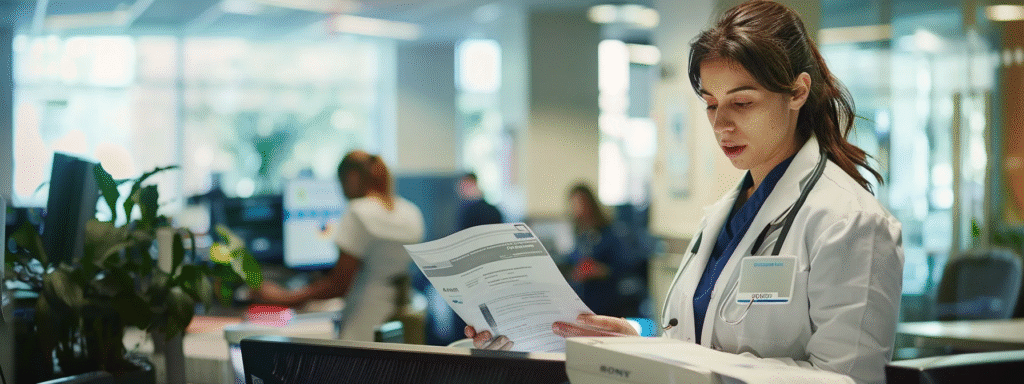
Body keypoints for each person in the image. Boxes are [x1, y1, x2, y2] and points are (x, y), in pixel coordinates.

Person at [466, 2, 903, 383]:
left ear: (798, 92)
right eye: (711, 104)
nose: (721, 125)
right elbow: (695, 337)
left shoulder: (850, 221)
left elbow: (847, 379)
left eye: (742, 102)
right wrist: (637, 338)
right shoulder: (724, 214)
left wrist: (700, 367)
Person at [255, 150, 425, 341]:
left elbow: (339, 285)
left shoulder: (359, 212)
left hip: (365, 321)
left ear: (352, 177)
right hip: (401, 316)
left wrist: (282, 297)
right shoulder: (412, 213)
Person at [563, 183, 633, 318]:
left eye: (580, 203)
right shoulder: (580, 235)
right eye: (574, 204)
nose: (577, 208)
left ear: (590, 203)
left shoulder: (610, 233)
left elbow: (624, 266)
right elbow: (571, 261)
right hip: (581, 302)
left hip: (605, 302)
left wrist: (599, 270)